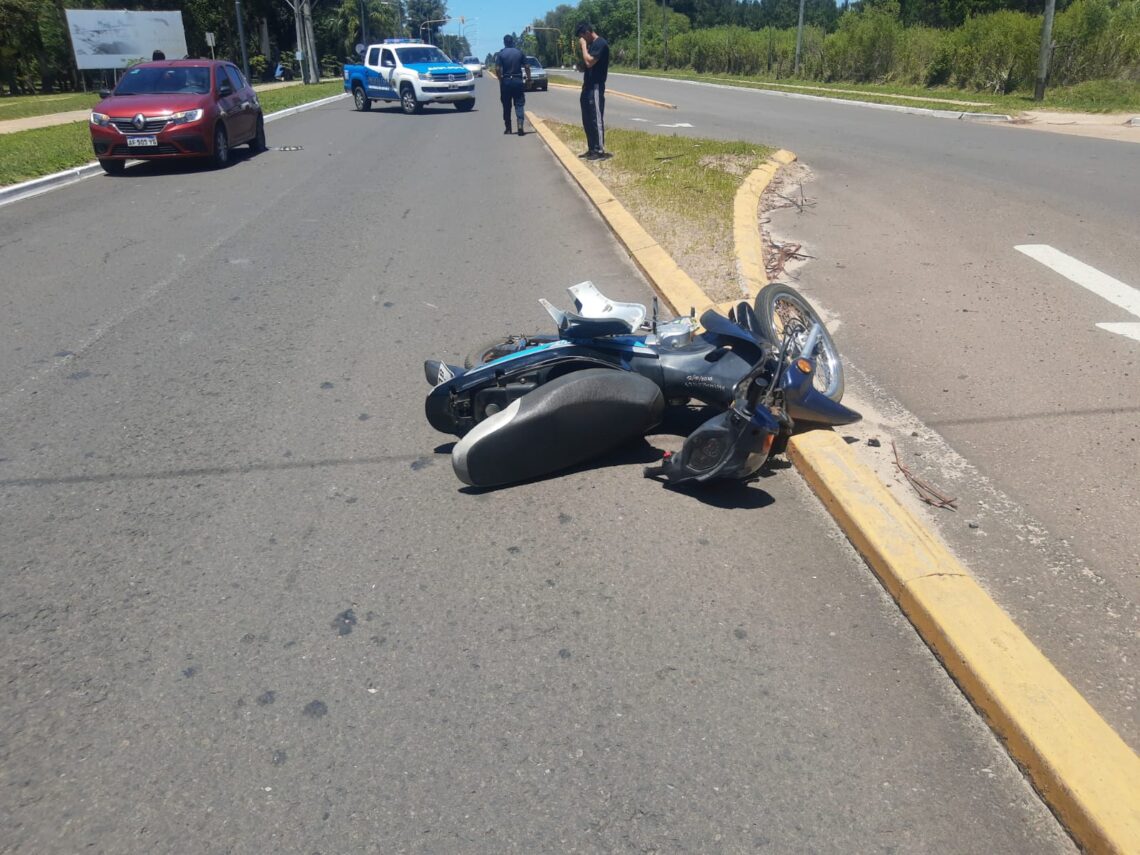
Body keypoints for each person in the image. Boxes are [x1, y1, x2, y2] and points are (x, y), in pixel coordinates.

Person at [575, 21, 610, 160]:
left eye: (582, 36)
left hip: (596, 86)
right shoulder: (591, 45)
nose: (582, 40)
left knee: (596, 118)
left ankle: (599, 150)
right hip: (587, 86)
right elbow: (587, 65)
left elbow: (590, 61)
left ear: (588, 33)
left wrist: (583, 46)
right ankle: (591, 148)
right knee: (587, 119)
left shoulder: (600, 43)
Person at [495, 34, 530, 136]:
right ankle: (520, 125)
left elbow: (497, 69)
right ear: (513, 42)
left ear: (504, 42)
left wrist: (500, 79)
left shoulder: (501, 54)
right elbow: (527, 66)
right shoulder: (519, 52)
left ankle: (508, 128)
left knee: (506, 106)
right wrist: (529, 79)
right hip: (518, 81)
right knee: (519, 104)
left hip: (506, 82)